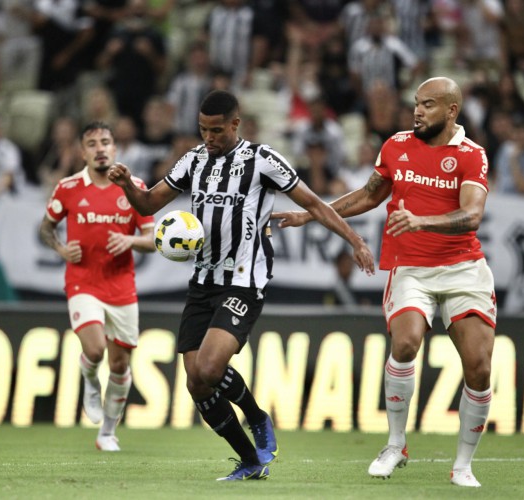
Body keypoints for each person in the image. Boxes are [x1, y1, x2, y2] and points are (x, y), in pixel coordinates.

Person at [107, 89, 374, 481]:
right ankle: (250, 461)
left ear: (236, 124)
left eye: (216, 130)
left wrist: (355, 240)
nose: (208, 138)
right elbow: (147, 204)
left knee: (210, 368)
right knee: (196, 383)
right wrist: (127, 184)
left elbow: (315, 203)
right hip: (202, 281)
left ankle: (256, 416)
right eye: (202, 130)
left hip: (244, 281)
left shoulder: (263, 160)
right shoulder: (193, 160)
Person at [272, 77, 496, 488]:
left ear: (451, 110)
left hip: (463, 269)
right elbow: (369, 195)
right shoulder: (396, 146)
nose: (417, 111)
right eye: (416, 103)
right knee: (405, 343)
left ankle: (463, 465)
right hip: (411, 266)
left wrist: (422, 220)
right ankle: (395, 444)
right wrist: (311, 214)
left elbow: (472, 216)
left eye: (428, 104)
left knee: (479, 369)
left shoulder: (471, 155)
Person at [39, 121, 155, 451]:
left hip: (121, 287)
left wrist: (130, 240)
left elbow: (153, 240)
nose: (100, 148)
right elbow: (45, 228)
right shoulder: (68, 187)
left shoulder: (134, 187)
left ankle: (107, 433)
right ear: (82, 151)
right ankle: (91, 381)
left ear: (115, 149)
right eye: (92, 143)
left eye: (105, 142)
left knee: (120, 366)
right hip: (82, 282)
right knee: (94, 350)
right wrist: (61, 249)